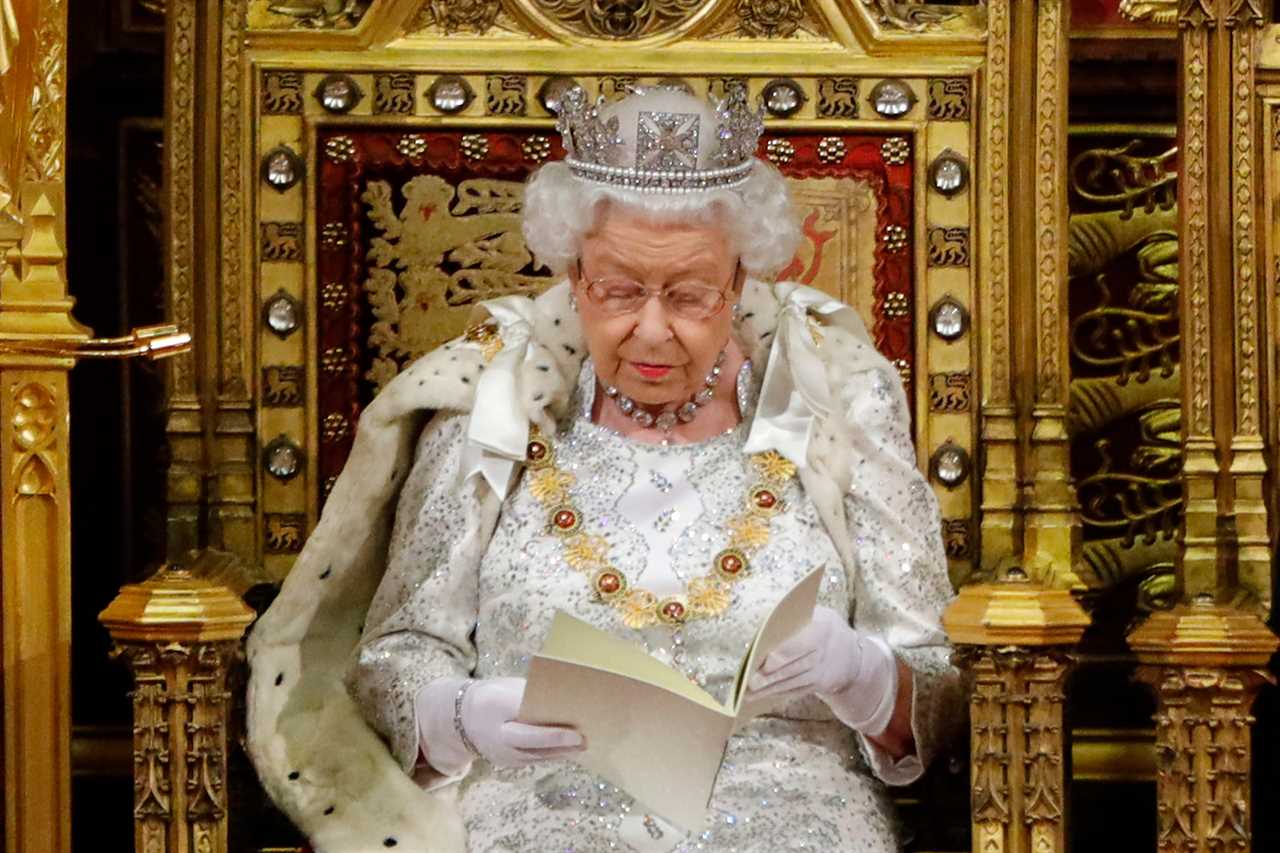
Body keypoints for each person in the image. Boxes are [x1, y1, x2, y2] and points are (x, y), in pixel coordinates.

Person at [247, 84, 961, 853]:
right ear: (573, 272)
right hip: (540, 811)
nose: (652, 330)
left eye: (690, 295)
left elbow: (943, 685)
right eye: (618, 290)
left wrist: (860, 674)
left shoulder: (840, 399)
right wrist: (460, 714)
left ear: (742, 282)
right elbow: (400, 648)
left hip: (794, 810)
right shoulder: (487, 404)